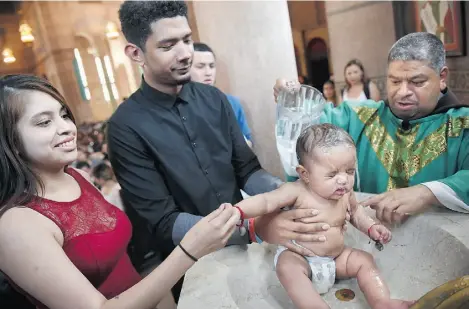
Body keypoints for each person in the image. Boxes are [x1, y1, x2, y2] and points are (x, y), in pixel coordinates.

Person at [109, 0, 335, 301]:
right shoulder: (126, 126)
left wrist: (285, 193)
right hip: (191, 265)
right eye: (168, 45)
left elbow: (247, 170)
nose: (185, 53)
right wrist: (253, 227)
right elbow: (164, 222)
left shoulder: (214, 99)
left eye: (187, 40)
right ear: (136, 53)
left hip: (246, 247)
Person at [0, 74, 239, 309]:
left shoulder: (78, 178)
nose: (66, 128)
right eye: (44, 122)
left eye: (64, 115)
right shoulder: (16, 224)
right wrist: (189, 250)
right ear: (11, 141)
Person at [271, 32, 469, 227]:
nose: (403, 92)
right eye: (394, 81)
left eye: (417, 82)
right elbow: (308, 131)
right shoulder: (359, 118)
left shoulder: (462, 126)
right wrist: (291, 102)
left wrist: (427, 192)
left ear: (442, 77)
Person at [235, 124, 413, 309]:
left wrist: (370, 227)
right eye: (332, 174)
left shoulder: (345, 193)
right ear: (305, 174)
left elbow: (356, 213)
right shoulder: (296, 191)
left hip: (336, 259)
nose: (343, 179)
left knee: (364, 261)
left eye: (350, 171)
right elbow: (265, 202)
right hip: (301, 257)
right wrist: (238, 212)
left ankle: (381, 301)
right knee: (287, 267)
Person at [190, 42, 253, 147]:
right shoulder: (181, 107)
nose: (208, 72)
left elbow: (249, 144)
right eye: (200, 66)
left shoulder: (231, 102)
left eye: (211, 66)